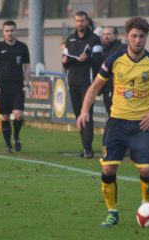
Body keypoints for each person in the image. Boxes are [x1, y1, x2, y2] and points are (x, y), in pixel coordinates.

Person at [76, 17, 149, 228]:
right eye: (134, 36)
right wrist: (84, 110)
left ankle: (146, 206)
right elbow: (94, 87)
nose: (138, 40)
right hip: (117, 123)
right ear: (127, 37)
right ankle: (112, 212)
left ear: (146, 37)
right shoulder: (114, 59)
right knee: (108, 169)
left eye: (142, 36)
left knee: (145, 171)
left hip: (142, 125)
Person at [62, 11, 103, 158]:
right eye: (77, 21)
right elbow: (65, 63)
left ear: (87, 21)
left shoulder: (94, 39)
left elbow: (99, 61)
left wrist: (88, 57)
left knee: (87, 115)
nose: (80, 23)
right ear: (75, 22)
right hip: (72, 82)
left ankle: (88, 148)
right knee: (79, 115)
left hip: (88, 84)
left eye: (82, 21)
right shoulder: (70, 39)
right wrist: (65, 61)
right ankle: (85, 146)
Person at [0, 20, 30, 153]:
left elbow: (27, 67)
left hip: (18, 86)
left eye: (12, 30)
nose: (9, 33)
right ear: (3, 32)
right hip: (3, 87)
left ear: (16, 31)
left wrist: (26, 84)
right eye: (7, 31)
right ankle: (8, 146)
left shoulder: (22, 47)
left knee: (18, 115)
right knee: (5, 117)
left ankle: (16, 136)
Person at [100, 26, 127, 116]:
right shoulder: (101, 50)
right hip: (106, 89)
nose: (106, 36)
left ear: (116, 36)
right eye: (104, 34)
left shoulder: (123, 48)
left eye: (109, 34)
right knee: (110, 115)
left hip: (120, 88)